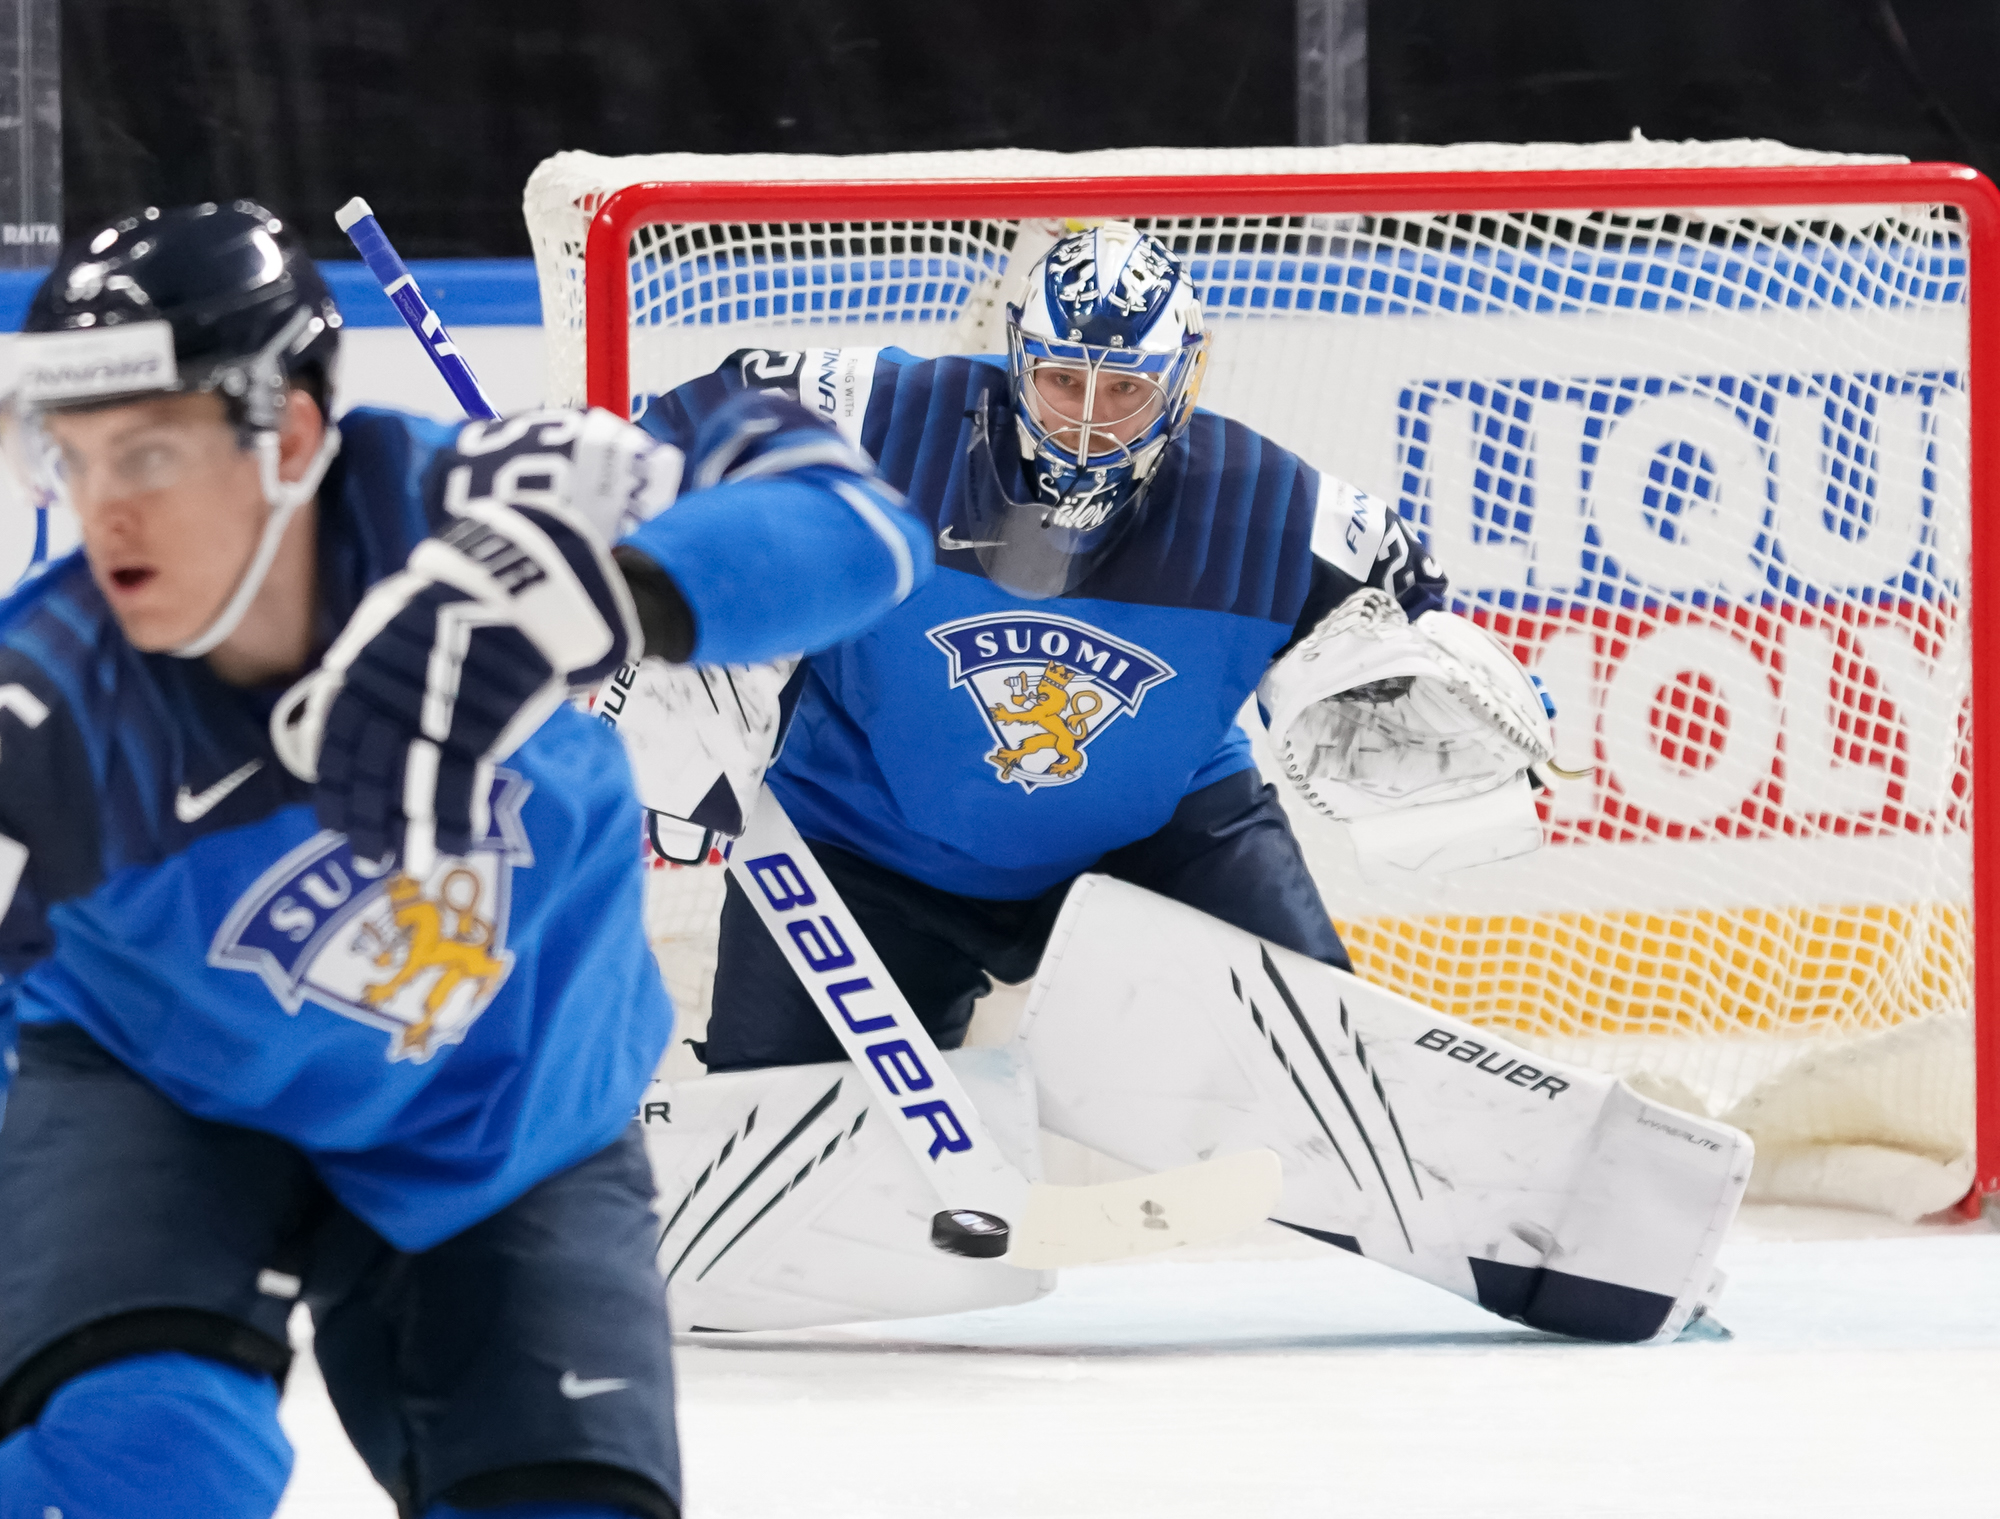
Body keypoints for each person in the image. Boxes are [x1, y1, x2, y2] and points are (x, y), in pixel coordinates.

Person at [0, 200, 929, 1519]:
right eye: (72, 457)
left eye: (148, 452)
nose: (102, 511)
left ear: (296, 437)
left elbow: (856, 521)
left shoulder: (490, 500)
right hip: (169, 1104)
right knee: (139, 1456)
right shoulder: (45, 700)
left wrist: (602, 597)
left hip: (511, 1113)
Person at [635, 221, 1451, 1075]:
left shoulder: (1277, 510)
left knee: (1328, 1080)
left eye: (1126, 387)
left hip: (1161, 847)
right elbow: (673, 434)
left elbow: (1416, 620)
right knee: (783, 1129)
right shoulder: (878, 416)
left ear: (1183, 381)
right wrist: (624, 570)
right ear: (1020, 359)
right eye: (1065, 379)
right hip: (857, 846)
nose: (1091, 422)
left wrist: (1451, 689)